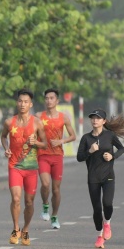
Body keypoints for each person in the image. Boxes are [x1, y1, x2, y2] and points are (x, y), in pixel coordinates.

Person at [0, 89, 47, 246]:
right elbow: (3, 136)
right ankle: (15, 228)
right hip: (15, 165)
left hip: (31, 168)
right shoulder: (9, 122)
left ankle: (25, 229)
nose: (22, 104)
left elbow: (45, 144)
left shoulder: (37, 123)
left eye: (26, 102)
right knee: (16, 198)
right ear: (17, 102)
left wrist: (36, 143)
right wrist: (6, 148)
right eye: (20, 101)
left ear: (30, 104)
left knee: (29, 202)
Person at [76, 109, 124, 249]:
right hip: (93, 178)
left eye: (98, 118)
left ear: (104, 121)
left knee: (108, 204)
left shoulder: (109, 135)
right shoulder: (86, 138)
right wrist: (90, 151)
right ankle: (99, 235)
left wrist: (112, 157)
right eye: (92, 118)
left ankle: (107, 223)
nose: (95, 120)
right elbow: (79, 157)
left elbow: (121, 149)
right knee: (97, 209)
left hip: (108, 176)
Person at [38, 88, 77, 229]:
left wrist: (61, 141)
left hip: (57, 157)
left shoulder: (63, 117)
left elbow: (73, 136)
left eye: (51, 98)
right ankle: (45, 206)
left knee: (56, 189)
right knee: (45, 184)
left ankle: (54, 216)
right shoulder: (38, 116)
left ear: (57, 101)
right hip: (43, 155)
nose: (48, 101)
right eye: (46, 98)